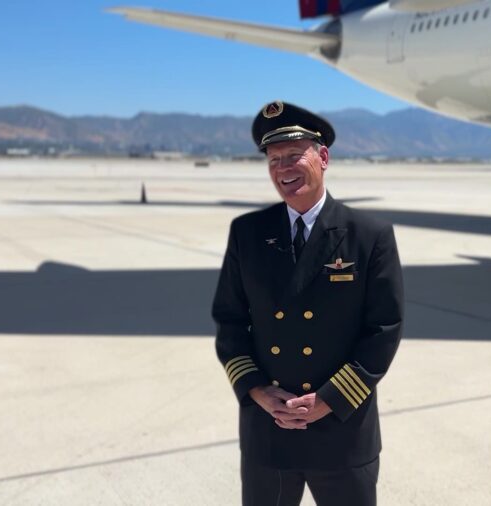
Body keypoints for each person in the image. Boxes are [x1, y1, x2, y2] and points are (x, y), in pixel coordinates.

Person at [212, 100, 404, 506]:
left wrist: (329, 400)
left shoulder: (368, 235)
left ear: (323, 157)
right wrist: (258, 391)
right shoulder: (248, 233)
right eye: (274, 159)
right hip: (269, 428)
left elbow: (383, 330)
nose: (283, 168)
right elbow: (229, 322)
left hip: (341, 429)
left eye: (294, 155)